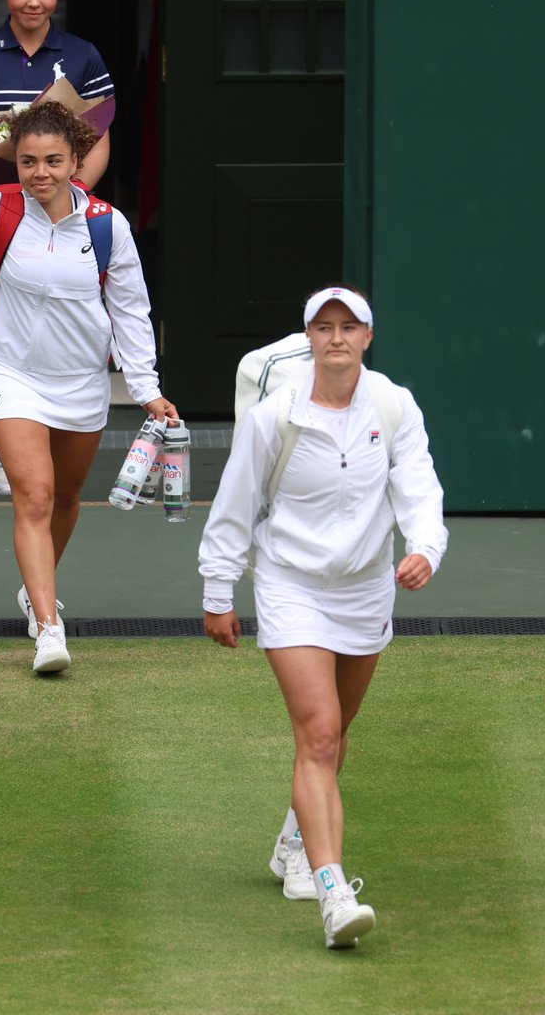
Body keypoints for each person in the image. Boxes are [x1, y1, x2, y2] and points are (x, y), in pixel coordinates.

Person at [0, 75, 176, 674]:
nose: (39, 172)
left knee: (67, 498)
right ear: (12, 161)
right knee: (35, 496)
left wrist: (146, 389)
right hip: (11, 374)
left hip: (82, 384)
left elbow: (130, 311)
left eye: (52, 161)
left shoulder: (107, 225)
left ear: (76, 160)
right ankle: (48, 627)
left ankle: (34, 586)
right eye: (27, 161)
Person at [198, 286, 448, 950]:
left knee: (335, 735)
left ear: (367, 338)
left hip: (367, 588)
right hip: (290, 585)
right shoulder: (274, 416)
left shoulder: (393, 406)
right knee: (320, 731)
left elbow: (418, 486)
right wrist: (218, 588)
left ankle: (292, 842)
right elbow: (236, 502)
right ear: (308, 338)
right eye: (324, 327)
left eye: (349, 327)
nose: (336, 338)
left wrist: (425, 546)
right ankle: (332, 890)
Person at [0, 0, 115, 496]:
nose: (34, 1)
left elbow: (99, 138)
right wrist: (4, 201)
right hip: (2, 215)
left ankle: (46, 436)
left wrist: (71, 194)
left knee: (60, 319)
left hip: (64, 214)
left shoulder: (83, 55)